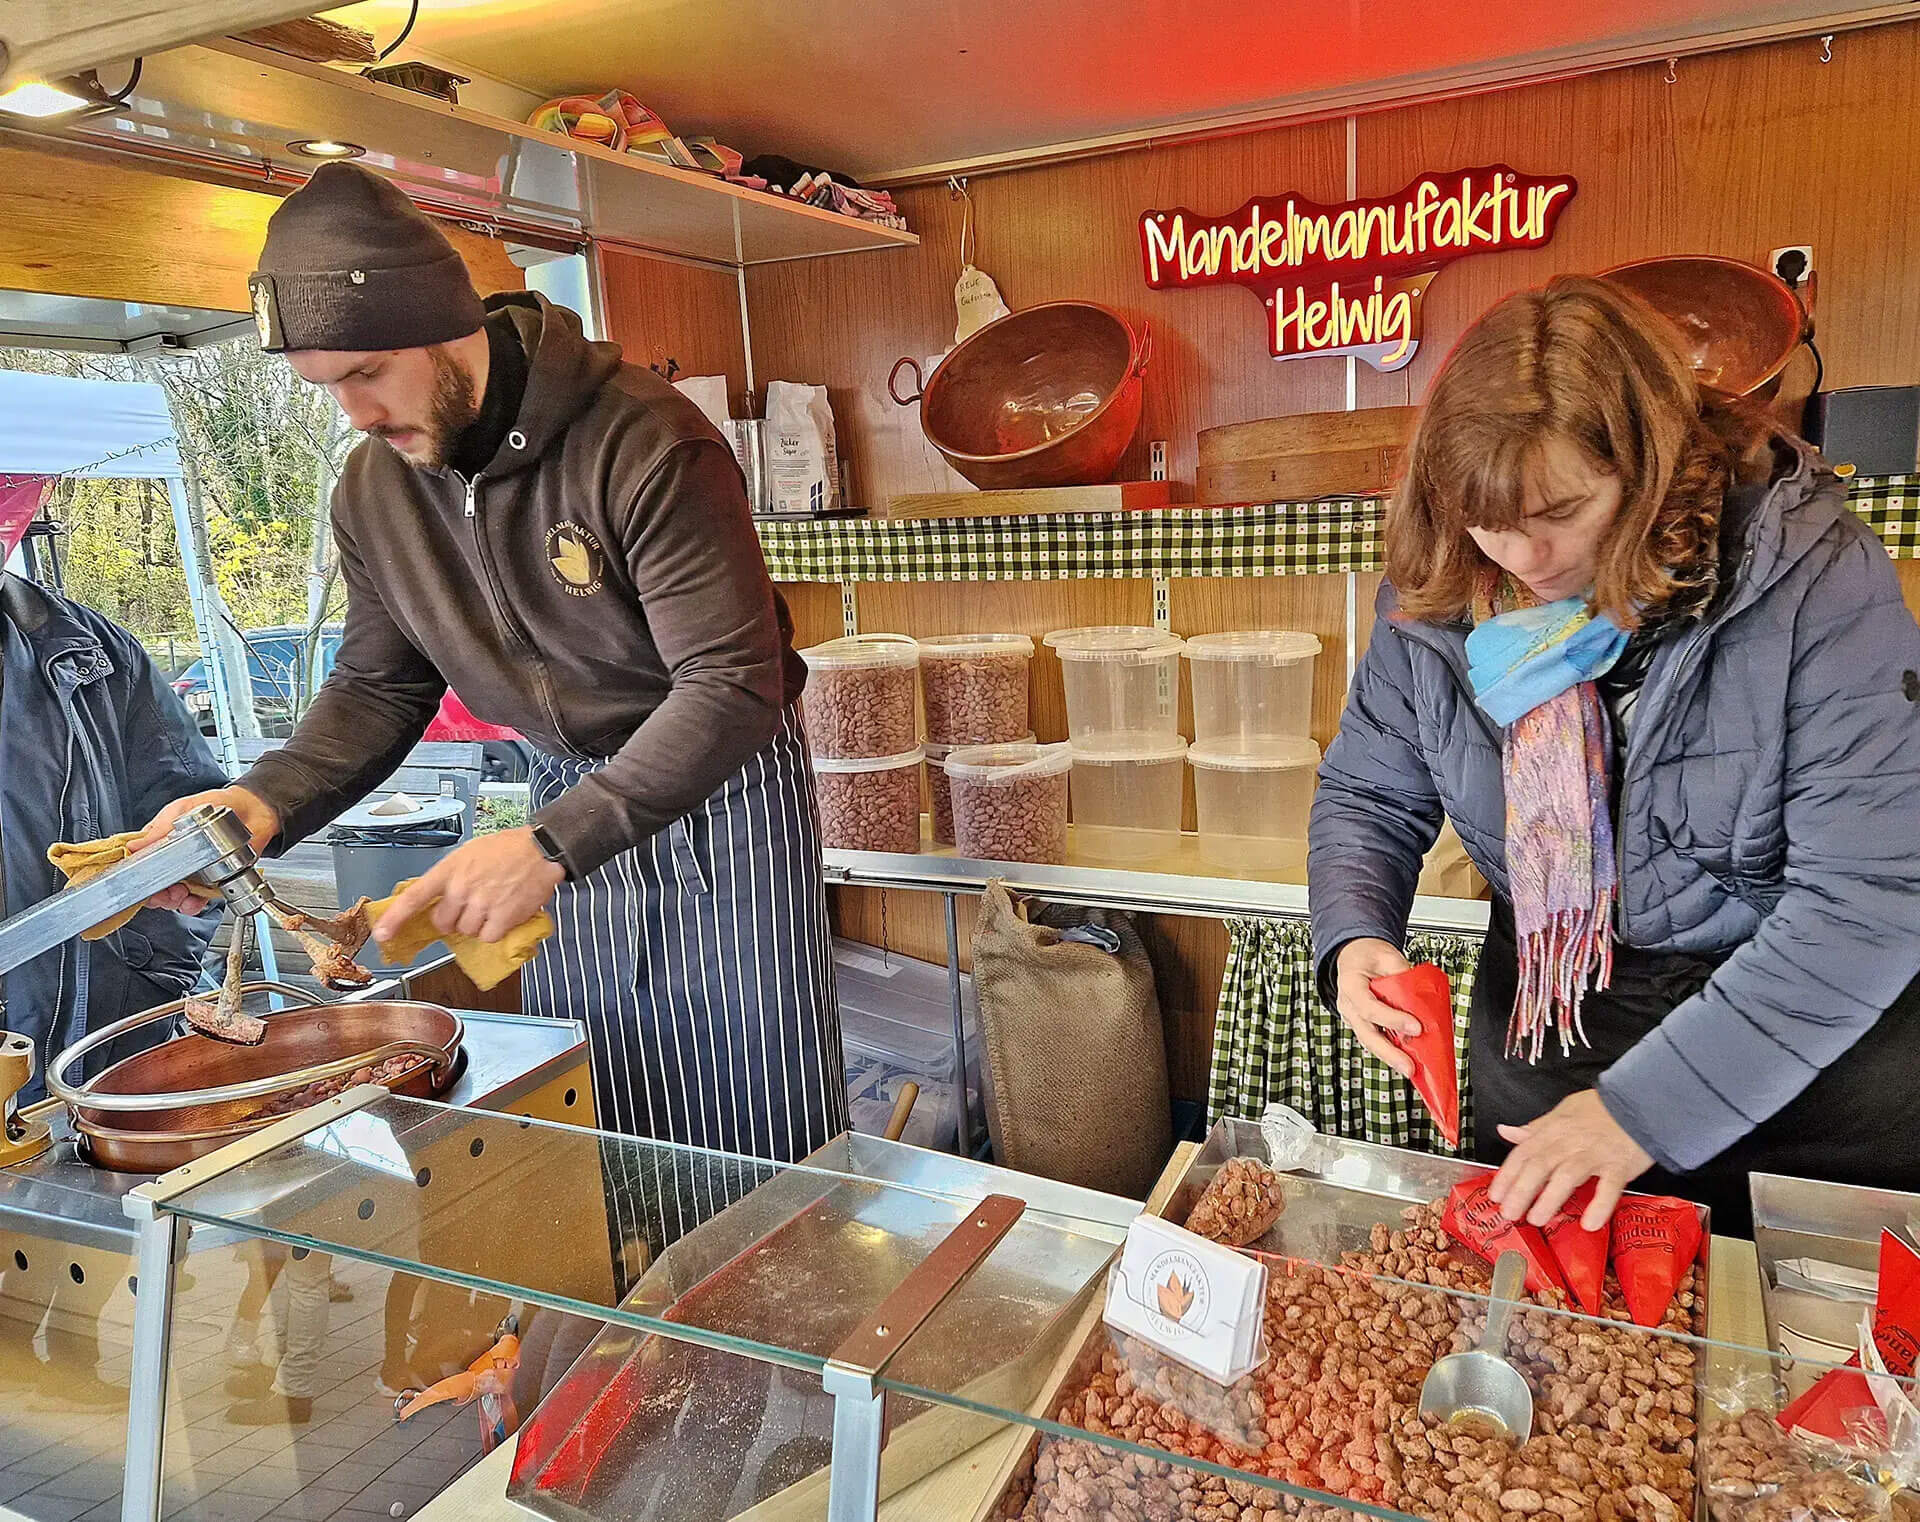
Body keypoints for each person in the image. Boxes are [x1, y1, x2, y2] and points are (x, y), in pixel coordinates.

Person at [136, 162, 845, 1173]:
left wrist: (550, 844)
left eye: (368, 372)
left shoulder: (643, 441)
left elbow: (734, 683)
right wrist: (261, 801)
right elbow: (380, 685)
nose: (355, 413)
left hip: (719, 793)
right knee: (604, 1094)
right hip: (563, 795)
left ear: (444, 323)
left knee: (752, 1108)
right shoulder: (376, 490)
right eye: (326, 387)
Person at [1309, 274, 1920, 1238]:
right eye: (1489, 520)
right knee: (1548, 1317)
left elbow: (1867, 897)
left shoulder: (1814, 578)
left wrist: (1646, 1108)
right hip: (1557, 1018)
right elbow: (1368, 794)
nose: (1526, 557)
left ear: (1649, 463)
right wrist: (1355, 936)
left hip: (1801, 1053)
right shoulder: (1439, 584)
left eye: (1562, 510)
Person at [0, 565, 226, 1404]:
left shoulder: (88, 650)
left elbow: (190, 814)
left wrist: (158, 959)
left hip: (105, 1013)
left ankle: (77, 1366)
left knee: (91, 1218)